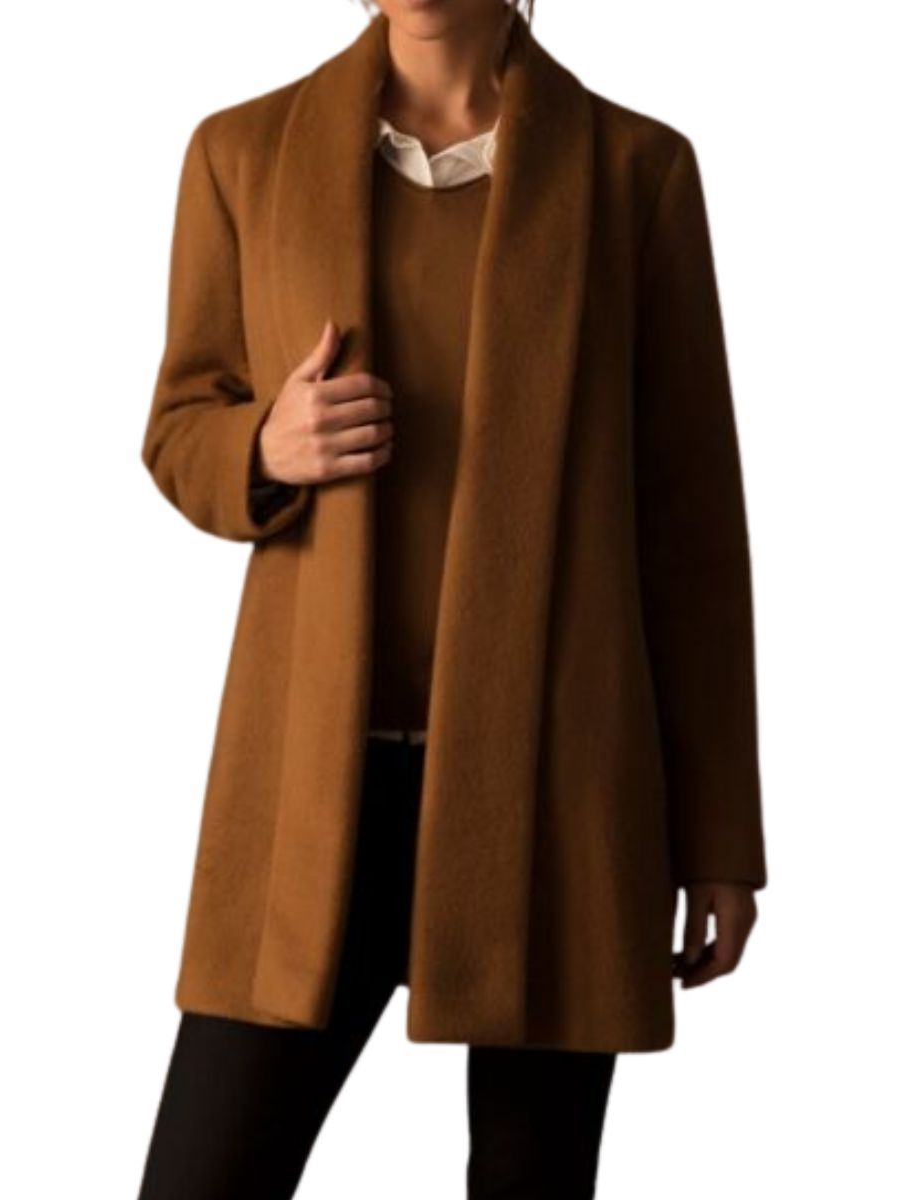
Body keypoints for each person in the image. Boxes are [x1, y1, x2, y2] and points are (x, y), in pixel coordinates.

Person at [136, 1, 768, 1195]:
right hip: (309, 787)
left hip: (557, 789)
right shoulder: (242, 151)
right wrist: (262, 448)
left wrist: (718, 837)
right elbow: (178, 428)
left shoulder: (636, 172)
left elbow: (691, 530)